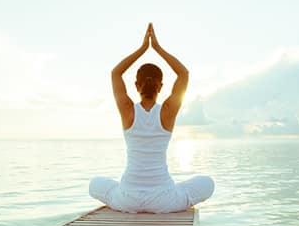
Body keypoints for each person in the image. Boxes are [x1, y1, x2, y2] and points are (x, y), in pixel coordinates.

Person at [89, 23, 215, 213]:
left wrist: (142, 49)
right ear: (161, 86)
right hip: (163, 200)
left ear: (136, 85)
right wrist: (156, 48)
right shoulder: (167, 111)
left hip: (127, 198)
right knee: (207, 183)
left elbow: (116, 73)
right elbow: (183, 73)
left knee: (94, 184)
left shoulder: (127, 110)